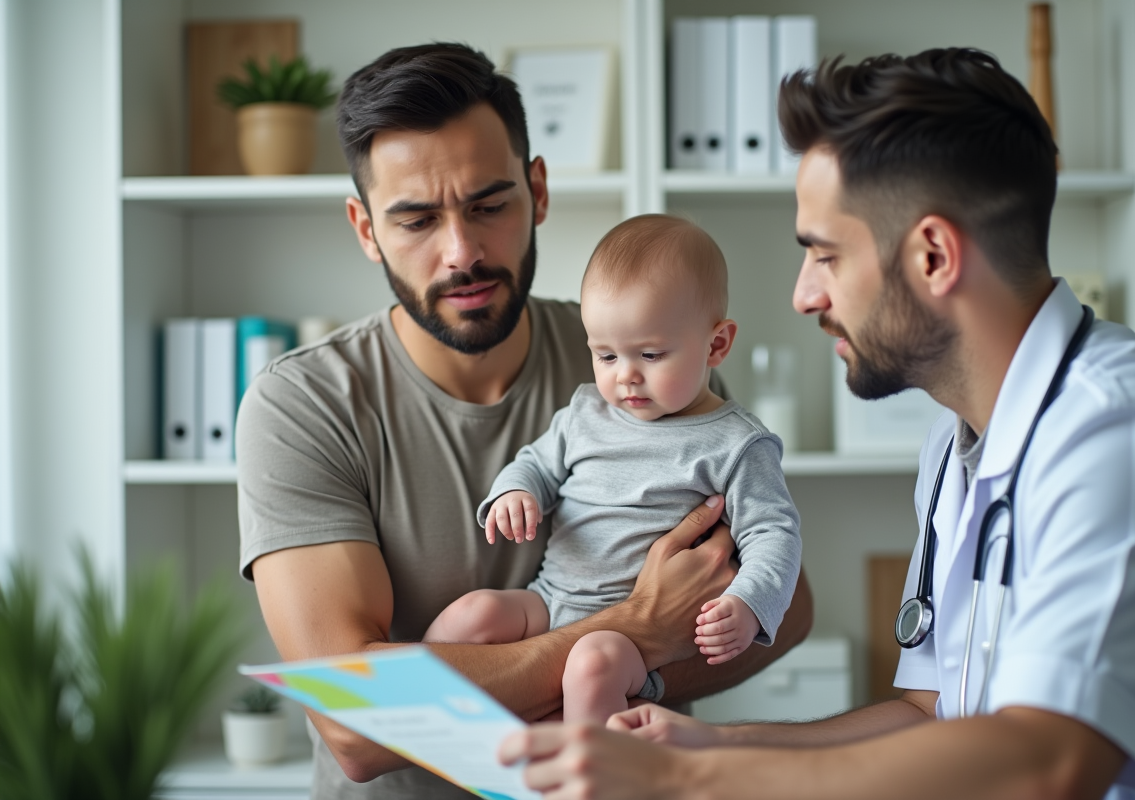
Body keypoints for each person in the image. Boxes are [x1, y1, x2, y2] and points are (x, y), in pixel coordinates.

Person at [499, 48, 1135, 800]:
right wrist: (713, 741)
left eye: (824, 256)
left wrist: (690, 777)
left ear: (933, 255)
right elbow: (930, 715)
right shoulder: (954, 444)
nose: (804, 295)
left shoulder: (1120, 435)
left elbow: (1047, 761)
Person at [234, 43, 813, 799]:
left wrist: (450, 692)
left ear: (538, 191)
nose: (462, 252)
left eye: (489, 204)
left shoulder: (651, 353)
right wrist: (640, 630)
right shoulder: (303, 405)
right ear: (366, 227)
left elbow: (787, 609)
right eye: (415, 220)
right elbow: (357, 725)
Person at [424, 215, 802, 724]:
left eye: (650, 353)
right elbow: (535, 463)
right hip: (550, 603)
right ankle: (420, 721)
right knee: (473, 615)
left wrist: (749, 602)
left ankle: (587, 777)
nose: (625, 376)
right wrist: (515, 492)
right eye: (605, 355)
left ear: (717, 344)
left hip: (632, 642)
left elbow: (774, 532)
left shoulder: (738, 443)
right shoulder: (584, 414)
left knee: (592, 666)